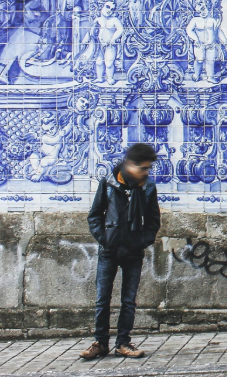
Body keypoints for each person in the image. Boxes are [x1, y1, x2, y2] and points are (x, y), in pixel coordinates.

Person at [82, 143, 161, 361]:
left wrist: (141, 241)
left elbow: (153, 222)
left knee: (128, 301)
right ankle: (100, 343)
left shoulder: (147, 188)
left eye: (147, 169)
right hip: (109, 250)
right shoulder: (108, 184)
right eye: (142, 168)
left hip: (133, 251)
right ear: (130, 165)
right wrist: (104, 238)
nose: (145, 172)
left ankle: (123, 343)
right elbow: (94, 215)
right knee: (102, 299)